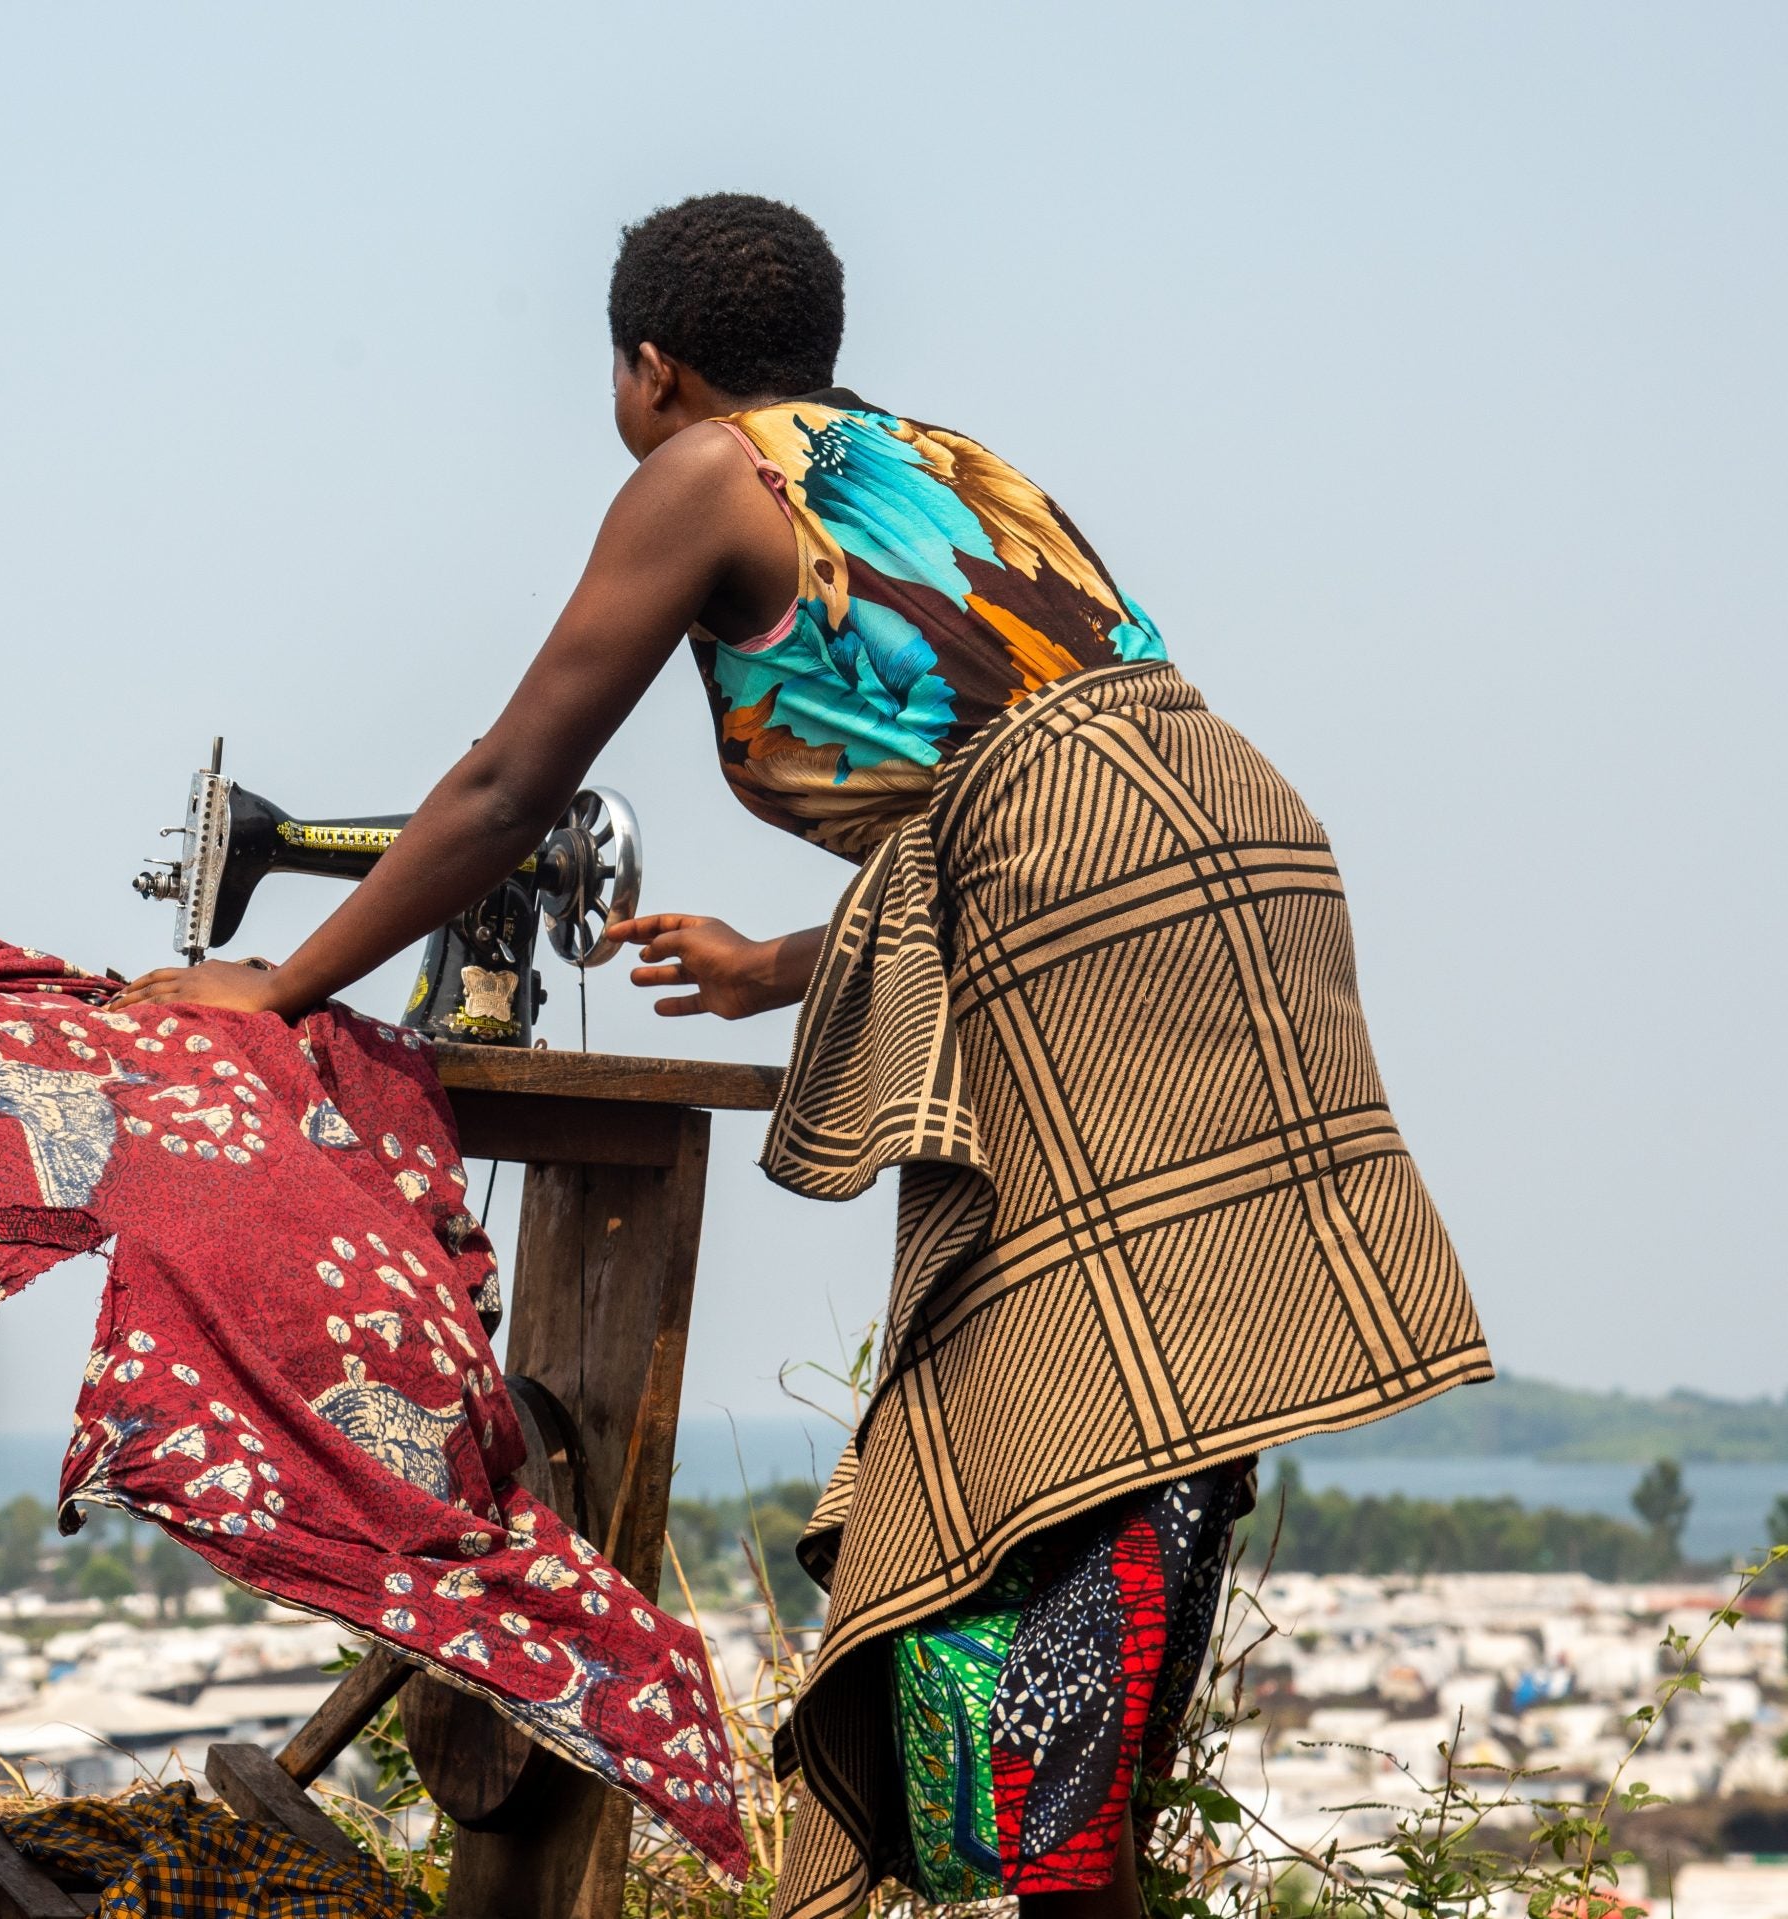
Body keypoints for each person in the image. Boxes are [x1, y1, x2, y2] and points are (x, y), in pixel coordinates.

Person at [114, 194, 1489, 1917]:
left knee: (1067, 1444)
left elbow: (504, 792)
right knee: (1125, 1449)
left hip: (1101, 922)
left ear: (650, 363)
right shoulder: (952, 462)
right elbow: (1008, 783)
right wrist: (773, 965)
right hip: (1224, 871)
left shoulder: (706, 470)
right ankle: (1075, 1867)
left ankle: (1061, 1870)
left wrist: (283, 991)